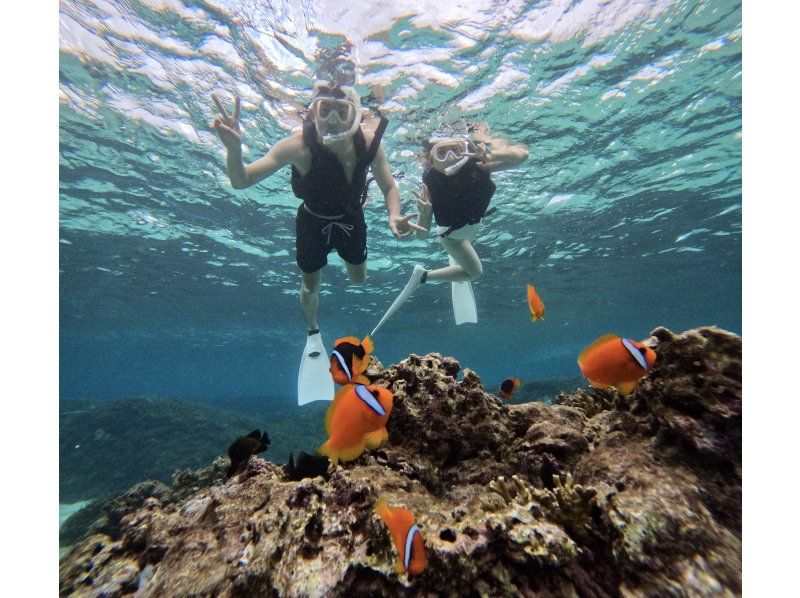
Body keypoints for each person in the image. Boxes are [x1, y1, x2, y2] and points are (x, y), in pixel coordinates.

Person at [211, 81, 424, 404]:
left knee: (358, 279)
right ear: (313, 113)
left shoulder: (368, 144)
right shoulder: (296, 146)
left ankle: (341, 272)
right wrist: (233, 149)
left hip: (351, 219)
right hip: (311, 222)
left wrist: (393, 215)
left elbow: (389, 186)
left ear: (356, 115)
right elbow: (242, 181)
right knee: (311, 284)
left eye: (343, 112)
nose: (334, 120)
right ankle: (313, 332)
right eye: (326, 111)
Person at [371, 123, 528, 335]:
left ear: (464, 148)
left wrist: (491, 152)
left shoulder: (479, 166)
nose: (451, 157)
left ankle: (458, 259)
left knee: (468, 241)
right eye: (441, 152)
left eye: (455, 149)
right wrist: (425, 214)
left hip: (472, 226)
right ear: (430, 159)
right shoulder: (431, 186)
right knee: (475, 272)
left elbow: (522, 155)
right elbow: (423, 234)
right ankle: (424, 276)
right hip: (452, 237)